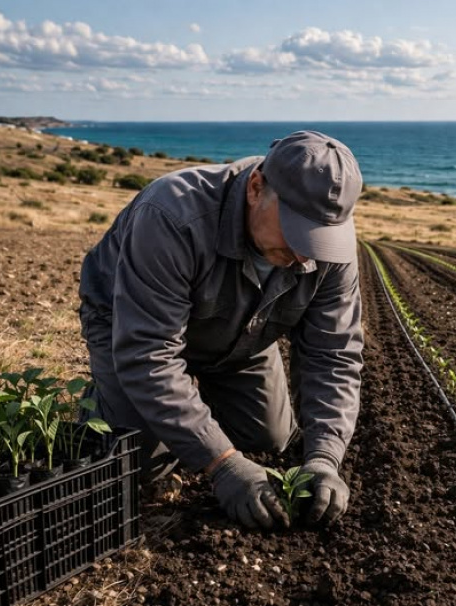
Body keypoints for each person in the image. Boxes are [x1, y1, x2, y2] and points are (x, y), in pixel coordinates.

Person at [77, 131, 364, 530]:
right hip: (130, 324)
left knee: (268, 440)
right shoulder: (172, 215)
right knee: (139, 462)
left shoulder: (328, 246)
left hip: (241, 334)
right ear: (256, 188)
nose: (305, 255)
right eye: (296, 230)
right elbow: (148, 354)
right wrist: (223, 463)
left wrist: (324, 457)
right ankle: (107, 399)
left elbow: (333, 355)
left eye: (318, 237)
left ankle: (192, 407)